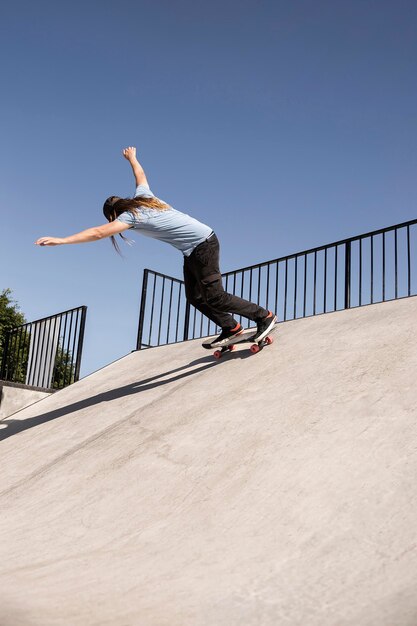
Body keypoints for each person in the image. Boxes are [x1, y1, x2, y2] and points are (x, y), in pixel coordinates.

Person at [35, 146, 276, 347]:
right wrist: (132, 158)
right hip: (192, 250)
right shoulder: (145, 195)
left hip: (203, 245)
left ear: (114, 215)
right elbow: (140, 175)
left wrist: (62, 240)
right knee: (194, 297)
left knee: (215, 296)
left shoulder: (131, 217)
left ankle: (263, 316)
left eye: (113, 220)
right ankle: (230, 326)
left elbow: (98, 233)